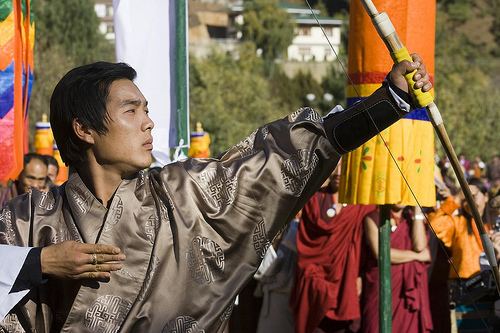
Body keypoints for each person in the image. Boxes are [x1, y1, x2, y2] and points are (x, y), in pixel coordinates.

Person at [0, 54, 432, 332]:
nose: (149, 122)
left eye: (148, 109)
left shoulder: (186, 193)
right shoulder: (28, 219)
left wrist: (389, 99)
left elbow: (280, 158)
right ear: (84, 129)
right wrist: (40, 261)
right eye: (131, 110)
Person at [291, 166, 375, 333]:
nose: (338, 173)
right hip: (314, 285)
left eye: (344, 167)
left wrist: (359, 273)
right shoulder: (315, 199)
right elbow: (306, 245)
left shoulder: (361, 203)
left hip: (345, 283)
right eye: (335, 166)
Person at [429, 177, 495, 331]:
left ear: (485, 196)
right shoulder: (457, 223)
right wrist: (456, 199)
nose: (469, 201)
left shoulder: (493, 221)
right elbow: (434, 226)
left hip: (493, 292)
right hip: (465, 292)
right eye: (465, 198)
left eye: (473, 196)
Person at [361, 205, 433, 333]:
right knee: (376, 326)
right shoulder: (373, 217)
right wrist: (416, 256)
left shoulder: (411, 219)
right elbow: (380, 253)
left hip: (407, 289)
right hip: (383, 283)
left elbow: (420, 246)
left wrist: (417, 211)